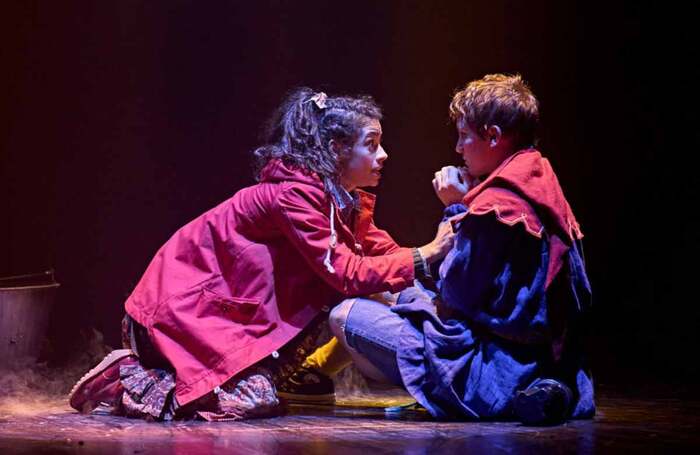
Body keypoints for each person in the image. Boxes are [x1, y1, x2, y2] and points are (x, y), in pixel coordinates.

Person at [68, 88, 455, 421]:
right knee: (253, 401)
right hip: (176, 318)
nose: (384, 155)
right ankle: (126, 378)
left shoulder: (338, 200)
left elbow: (379, 252)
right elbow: (346, 273)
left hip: (210, 319)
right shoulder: (296, 196)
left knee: (267, 392)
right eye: (371, 144)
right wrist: (427, 253)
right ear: (337, 149)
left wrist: (433, 264)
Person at [328, 74, 595, 425]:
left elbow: (456, 293)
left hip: (490, 369)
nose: (458, 148)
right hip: (542, 360)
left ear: (494, 137)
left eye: (464, 136)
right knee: (398, 287)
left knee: (346, 315)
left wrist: (457, 207)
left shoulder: (495, 207)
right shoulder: (540, 180)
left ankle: (450, 396)